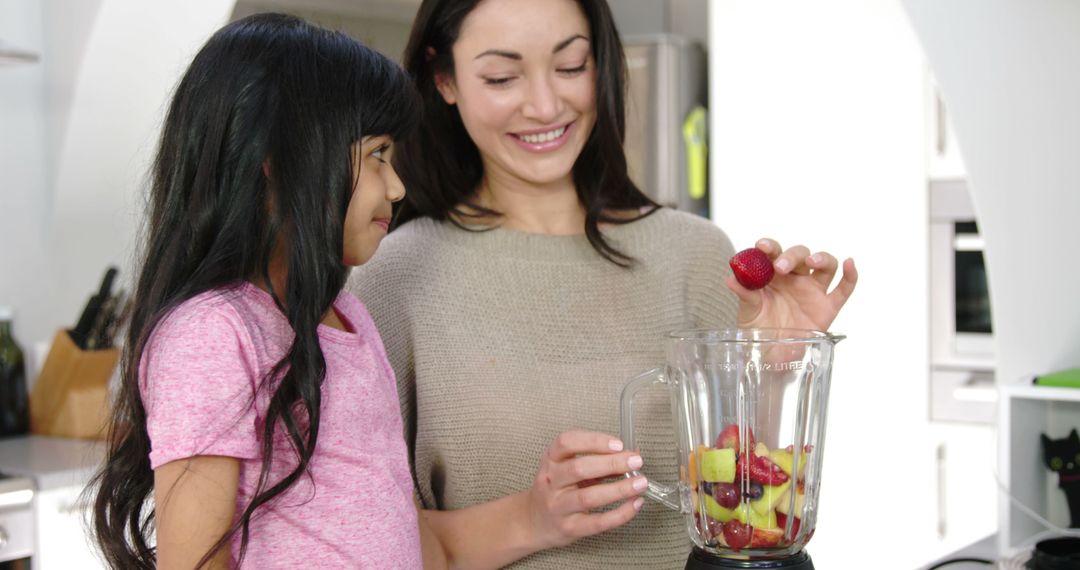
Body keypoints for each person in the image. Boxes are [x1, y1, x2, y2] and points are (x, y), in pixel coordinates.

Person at [346, 0, 859, 569]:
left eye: (570, 67)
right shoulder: (394, 277)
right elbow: (362, 542)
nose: (544, 105)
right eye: (502, 77)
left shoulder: (695, 254)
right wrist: (531, 518)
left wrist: (774, 363)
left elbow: (747, 504)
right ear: (444, 79)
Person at [88, 14, 447, 569]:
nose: (397, 186)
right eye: (377, 154)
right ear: (278, 163)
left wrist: (539, 515)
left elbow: (394, 530)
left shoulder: (347, 317)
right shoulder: (213, 332)